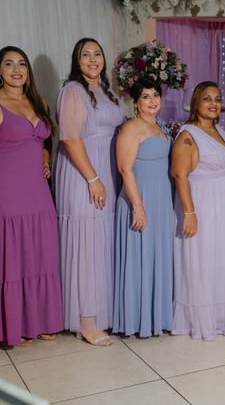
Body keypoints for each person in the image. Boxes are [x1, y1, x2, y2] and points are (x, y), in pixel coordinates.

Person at [55, 38, 124, 346]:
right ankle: (86, 320)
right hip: (84, 173)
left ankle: (102, 313)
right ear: (76, 60)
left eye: (98, 54)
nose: (93, 59)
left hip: (106, 171)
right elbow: (70, 139)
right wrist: (93, 178)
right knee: (86, 244)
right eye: (86, 55)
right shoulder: (73, 90)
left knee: (101, 244)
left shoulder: (105, 91)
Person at [171, 81, 225, 340]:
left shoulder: (223, 133)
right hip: (202, 202)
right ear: (196, 104)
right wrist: (190, 213)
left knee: (222, 260)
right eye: (206, 99)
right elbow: (180, 175)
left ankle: (222, 316)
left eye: (217, 98)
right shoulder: (187, 135)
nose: (213, 103)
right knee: (201, 259)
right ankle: (200, 318)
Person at [0, 46, 62, 347]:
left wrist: (46, 158)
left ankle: (42, 321)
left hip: (38, 191)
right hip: (8, 192)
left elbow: (43, 140)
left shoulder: (39, 101)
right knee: (14, 259)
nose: (16, 69)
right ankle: (15, 326)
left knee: (41, 254)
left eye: (22, 63)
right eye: (9, 63)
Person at [112, 78, 173, 337]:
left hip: (160, 199)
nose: (152, 101)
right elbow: (125, 169)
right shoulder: (131, 128)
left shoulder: (158, 125)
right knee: (141, 257)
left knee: (156, 255)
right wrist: (138, 206)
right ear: (135, 101)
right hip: (140, 199)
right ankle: (137, 320)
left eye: (155, 95)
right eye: (146, 96)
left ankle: (157, 317)